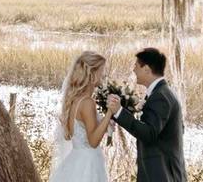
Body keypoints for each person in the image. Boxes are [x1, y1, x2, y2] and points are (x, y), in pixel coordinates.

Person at [107, 47, 187, 182]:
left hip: (161, 174)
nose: (133, 70)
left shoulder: (160, 96)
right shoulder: (163, 92)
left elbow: (149, 133)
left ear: (146, 69)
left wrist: (119, 112)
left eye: (136, 65)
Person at [48, 51, 114, 182]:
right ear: (92, 74)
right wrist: (109, 113)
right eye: (101, 71)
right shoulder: (87, 103)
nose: (103, 75)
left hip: (76, 159)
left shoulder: (76, 100)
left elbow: (86, 132)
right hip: (88, 164)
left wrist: (105, 124)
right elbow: (93, 142)